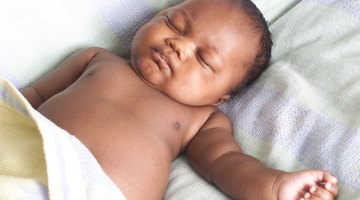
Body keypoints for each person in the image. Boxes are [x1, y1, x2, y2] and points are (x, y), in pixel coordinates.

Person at [21, 0, 339, 199]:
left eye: (203, 59)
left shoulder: (201, 119)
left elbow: (224, 164)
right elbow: (30, 97)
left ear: (220, 96)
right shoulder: (96, 59)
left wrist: (274, 188)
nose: (179, 45)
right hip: (25, 161)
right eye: (174, 23)